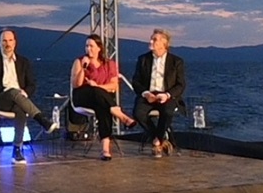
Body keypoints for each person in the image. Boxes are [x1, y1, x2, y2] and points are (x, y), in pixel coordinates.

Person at [0, 28, 59, 164]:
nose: (7, 44)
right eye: (4, 41)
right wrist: (10, 90)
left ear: (15, 42)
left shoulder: (24, 62)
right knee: (13, 92)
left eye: (10, 40)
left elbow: (31, 85)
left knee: (20, 109)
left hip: (19, 99)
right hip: (1, 99)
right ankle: (42, 120)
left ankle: (17, 149)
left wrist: (25, 92)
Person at [70, 33, 136, 161]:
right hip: (82, 95)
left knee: (103, 106)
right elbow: (76, 85)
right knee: (97, 93)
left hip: (101, 98)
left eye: (91, 46)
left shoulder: (109, 64)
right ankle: (121, 115)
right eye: (86, 46)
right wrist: (83, 68)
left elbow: (114, 86)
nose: (88, 49)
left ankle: (106, 149)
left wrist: (97, 86)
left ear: (99, 48)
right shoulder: (79, 61)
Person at [132, 29, 186, 159]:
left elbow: (181, 85)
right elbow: (136, 81)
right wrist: (146, 93)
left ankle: (157, 142)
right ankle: (159, 138)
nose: (151, 41)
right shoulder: (143, 59)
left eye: (154, 39)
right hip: (149, 94)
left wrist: (167, 95)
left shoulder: (176, 61)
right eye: (151, 39)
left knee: (167, 112)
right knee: (138, 113)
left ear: (164, 43)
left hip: (167, 95)